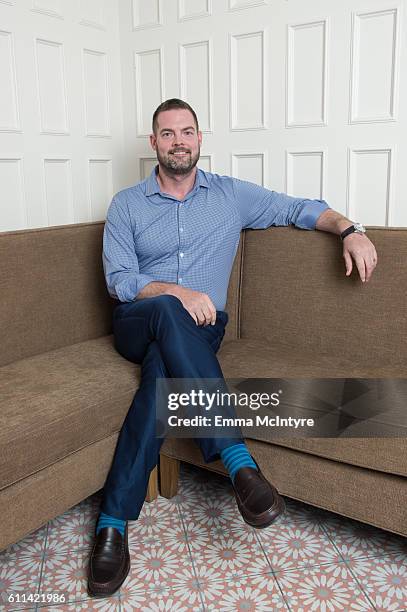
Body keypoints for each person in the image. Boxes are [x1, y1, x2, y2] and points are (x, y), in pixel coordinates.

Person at [87, 98, 378, 596]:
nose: (178, 140)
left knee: (163, 378)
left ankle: (112, 522)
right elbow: (119, 279)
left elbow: (299, 208)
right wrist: (178, 293)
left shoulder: (230, 196)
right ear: (153, 142)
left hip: (199, 333)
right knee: (165, 314)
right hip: (139, 319)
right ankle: (238, 461)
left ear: (200, 139)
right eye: (167, 133)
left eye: (187, 131)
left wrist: (349, 229)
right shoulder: (127, 204)